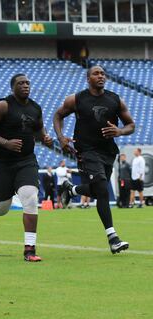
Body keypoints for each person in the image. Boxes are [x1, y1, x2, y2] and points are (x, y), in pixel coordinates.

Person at [0, 73, 53, 262]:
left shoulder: (35, 108)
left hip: (26, 160)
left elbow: (39, 131)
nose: (25, 86)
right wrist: (5, 143)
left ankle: (29, 250)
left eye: (27, 83)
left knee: (30, 197)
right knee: (0, 209)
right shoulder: (3, 105)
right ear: (12, 87)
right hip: (0, 162)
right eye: (20, 83)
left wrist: (45, 138)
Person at [55, 65, 135, 254]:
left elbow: (131, 125)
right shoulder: (76, 99)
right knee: (100, 186)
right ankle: (113, 238)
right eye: (96, 74)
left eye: (103, 74)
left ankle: (71, 189)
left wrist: (120, 131)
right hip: (86, 150)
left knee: (100, 191)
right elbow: (58, 115)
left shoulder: (115, 100)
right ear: (88, 78)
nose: (101, 76)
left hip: (108, 152)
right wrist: (61, 137)